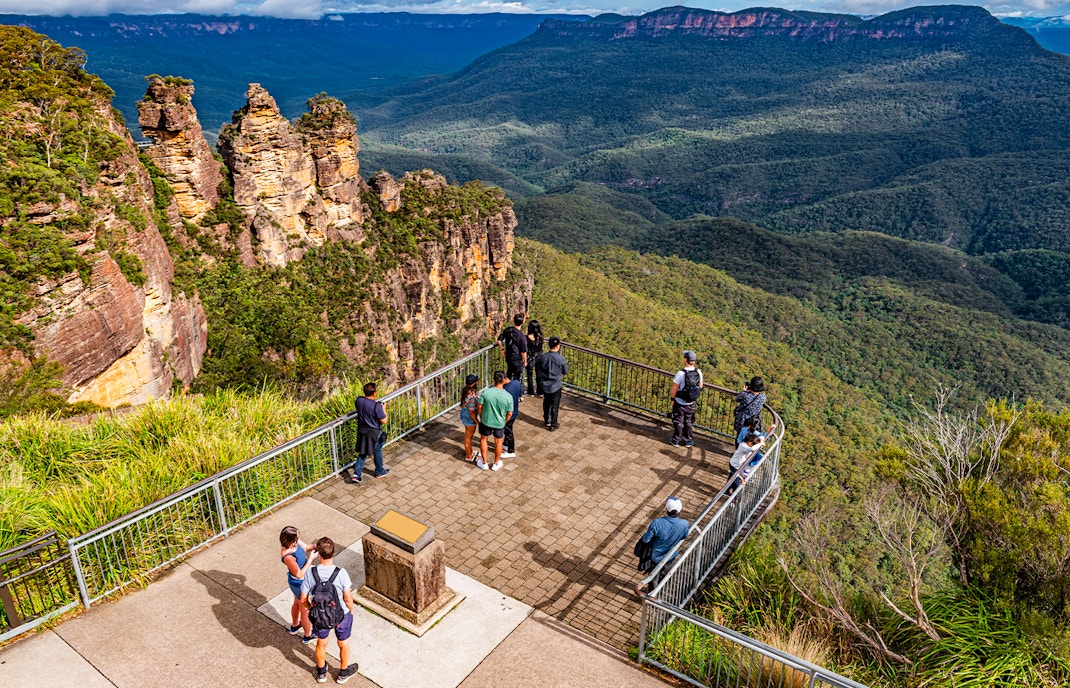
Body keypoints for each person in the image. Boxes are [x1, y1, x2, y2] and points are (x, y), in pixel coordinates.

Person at [301, 537, 357, 684]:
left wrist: (310, 608)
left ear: (318, 553)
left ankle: (321, 673)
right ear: (333, 552)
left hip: (320, 615)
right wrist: (350, 611)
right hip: (341, 615)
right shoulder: (341, 573)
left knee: (321, 643)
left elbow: (303, 599)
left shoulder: (311, 573)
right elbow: (347, 598)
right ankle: (343, 674)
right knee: (343, 644)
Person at [634, 497, 689, 595]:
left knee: (653, 579)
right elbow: (684, 536)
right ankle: (661, 593)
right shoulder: (684, 524)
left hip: (655, 558)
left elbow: (646, 539)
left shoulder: (657, 523)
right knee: (664, 577)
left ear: (667, 509)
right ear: (680, 510)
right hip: (671, 556)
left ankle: (652, 598)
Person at [279, 526, 317, 645]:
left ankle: (295, 625)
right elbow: (299, 574)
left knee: (297, 603)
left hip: (300, 582)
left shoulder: (295, 543)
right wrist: (311, 559)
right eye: (296, 538)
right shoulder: (287, 556)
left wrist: (317, 545)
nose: (298, 539)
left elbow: (306, 547)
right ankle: (308, 635)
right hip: (299, 583)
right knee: (305, 609)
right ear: (289, 540)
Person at [351, 382, 389, 483]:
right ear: (374, 393)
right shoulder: (376, 406)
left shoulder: (359, 400)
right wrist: (383, 409)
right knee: (377, 450)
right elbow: (384, 420)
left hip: (362, 430)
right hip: (374, 432)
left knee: (363, 452)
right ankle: (379, 471)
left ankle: (356, 474)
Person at [476, 371, 513, 471]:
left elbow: (479, 406)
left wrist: (481, 416)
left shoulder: (486, 392)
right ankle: (496, 463)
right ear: (504, 381)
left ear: (494, 381)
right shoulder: (508, 396)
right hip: (499, 423)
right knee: (498, 442)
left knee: (483, 439)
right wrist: (504, 421)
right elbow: (509, 413)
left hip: (486, 420)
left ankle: (484, 463)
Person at [669, 350, 703, 448]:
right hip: (691, 402)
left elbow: (675, 388)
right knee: (688, 421)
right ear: (694, 361)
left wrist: (672, 399)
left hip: (680, 401)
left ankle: (676, 440)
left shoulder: (681, 373)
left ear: (685, 360)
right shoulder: (698, 372)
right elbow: (700, 386)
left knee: (678, 421)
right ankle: (688, 441)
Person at [534, 336, 567, 431]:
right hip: (555, 385)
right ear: (558, 346)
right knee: (555, 405)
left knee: (546, 402)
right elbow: (565, 371)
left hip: (545, 384)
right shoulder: (561, 359)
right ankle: (553, 423)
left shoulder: (542, 357)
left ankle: (546, 419)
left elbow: (538, 368)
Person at [497, 313, 528, 386]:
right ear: (522, 322)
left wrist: (502, 349)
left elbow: (499, 340)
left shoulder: (508, 330)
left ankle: (506, 390)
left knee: (509, 374)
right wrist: (525, 361)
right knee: (517, 377)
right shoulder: (521, 336)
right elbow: (523, 351)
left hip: (508, 356)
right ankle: (516, 393)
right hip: (517, 358)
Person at [460, 373, 481, 463]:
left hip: (465, 414)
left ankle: (471, 451)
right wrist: (477, 422)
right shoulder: (471, 396)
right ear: (474, 383)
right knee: (468, 437)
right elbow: (472, 412)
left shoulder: (465, 391)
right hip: (469, 417)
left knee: (469, 436)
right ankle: (468, 455)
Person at [502, 371, 523, 459]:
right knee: (508, 430)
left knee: (508, 432)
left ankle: (511, 450)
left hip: (508, 415)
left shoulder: (505, 391)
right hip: (515, 412)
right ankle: (506, 443)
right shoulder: (516, 383)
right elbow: (520, 394)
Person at [525, 320, 545, 397]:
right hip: (539, 357)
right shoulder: (540, 337)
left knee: (530, 374)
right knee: (539, 374)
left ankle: (531, 392)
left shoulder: (527, 338)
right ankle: (540, 391)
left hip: (531, 358)